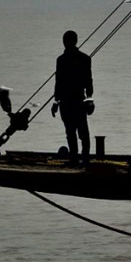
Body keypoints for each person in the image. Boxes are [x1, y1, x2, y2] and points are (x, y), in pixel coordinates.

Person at [52, 30, 93, 165]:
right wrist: (56, 102)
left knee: (77, 132)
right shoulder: (83, 59)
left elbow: (59, 83)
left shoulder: (63, 60)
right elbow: (89, 83)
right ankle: (79, 158)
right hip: (73, 101)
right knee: (75, 132)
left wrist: (56, 102)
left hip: (72, 102)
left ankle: (80, 158)